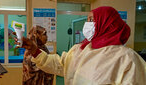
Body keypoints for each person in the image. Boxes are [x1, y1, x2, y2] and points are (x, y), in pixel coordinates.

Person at [16, 6, 146, 85]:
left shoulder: (126, 58)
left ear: (107, 24)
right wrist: (34, 50)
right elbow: (60, 65)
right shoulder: (80, 49)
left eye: (91, 20)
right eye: (87, 20)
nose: (87, 24)